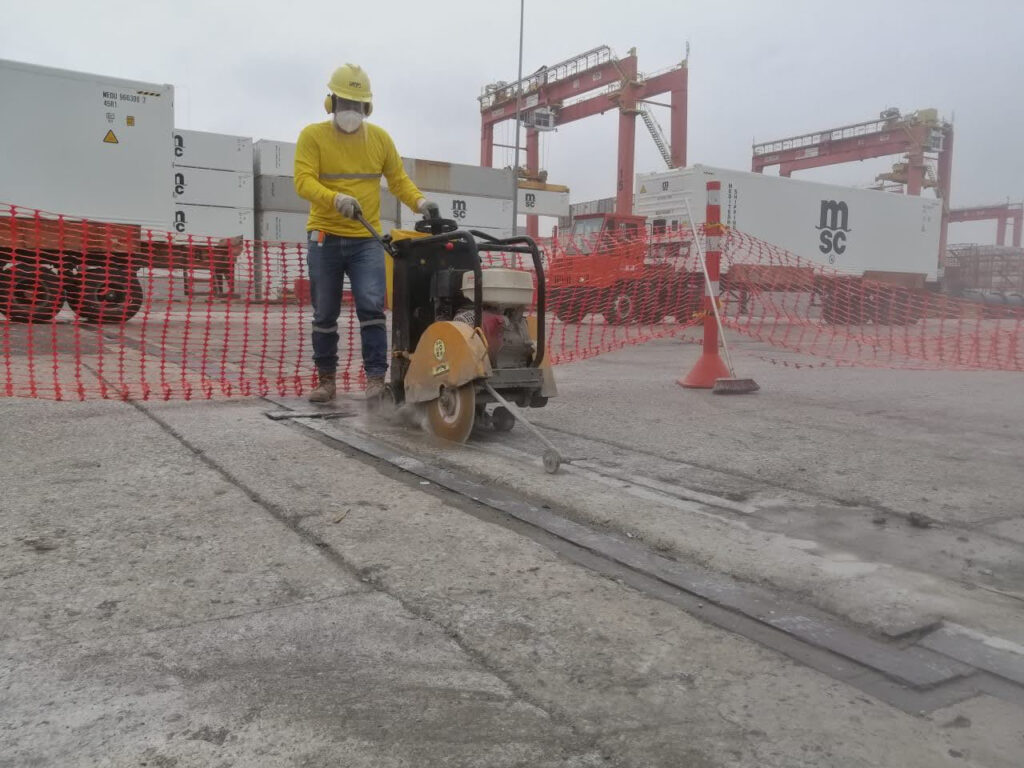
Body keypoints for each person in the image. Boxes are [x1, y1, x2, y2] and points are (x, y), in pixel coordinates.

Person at [294, 63, 437, 403]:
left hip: (365, 241)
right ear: (332, 103)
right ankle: (326, 380)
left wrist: (421, 203)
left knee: (372, 308)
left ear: (367, 108)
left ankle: (375, 380)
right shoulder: (312, 136)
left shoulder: (380, 140)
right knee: (325, 312)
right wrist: (335, 198)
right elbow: (302, 181)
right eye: (345, 103)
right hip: (324, 236)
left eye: (357, 105)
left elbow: (398, 180)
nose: (351, 112)